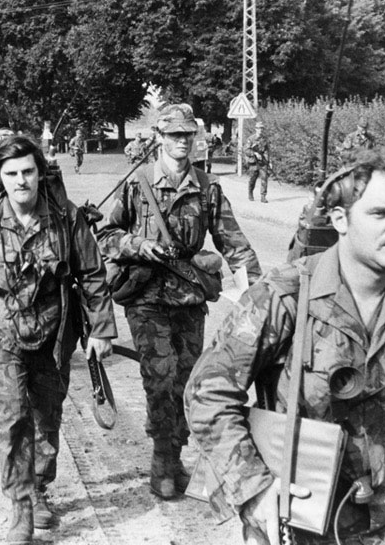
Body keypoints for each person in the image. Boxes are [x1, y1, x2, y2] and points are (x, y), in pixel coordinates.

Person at [184, 147, 385, 545]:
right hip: (300, 522)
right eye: (379, 214)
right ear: (341, 219)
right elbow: (207, 392)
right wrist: (253, 489)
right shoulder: (285, 296)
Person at [0, 135, 116, 545]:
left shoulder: (66, 216)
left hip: (54, 333)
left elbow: (91, 274)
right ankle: (20, 505)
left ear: (40, 173)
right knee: (14, 418)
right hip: (3, 332)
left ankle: (38, 487)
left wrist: (102, 328)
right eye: (12, 173)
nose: (21, 181)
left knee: (47, 416)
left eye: (28, 172)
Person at [97, 103, 262, 501]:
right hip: (146, 296)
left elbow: (234, 243)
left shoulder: (207, 187)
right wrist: (137, 245)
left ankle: (175, 455)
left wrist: (258, 292)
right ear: (159, 137)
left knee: (187, 382)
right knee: (160, 378)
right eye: (175, 135)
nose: (183, 142)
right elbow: (105, 236)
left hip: (188, 297)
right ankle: (161, 461)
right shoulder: (137, 183)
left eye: (189, 135)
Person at [244, 122, 271, 202]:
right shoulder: (251, 139)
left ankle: (263, 196)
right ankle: (250, 192)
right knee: (253, 179)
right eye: (259, 128)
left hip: (262, 162)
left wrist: (269, 161)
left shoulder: (265, 139)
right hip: (253, 162)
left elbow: (267, 151)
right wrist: (254, 153)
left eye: (262, 128)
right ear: (256, 129)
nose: (260, 130)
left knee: (264, 178)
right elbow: (246, 150)